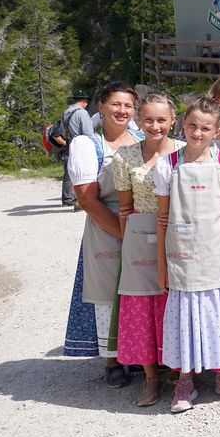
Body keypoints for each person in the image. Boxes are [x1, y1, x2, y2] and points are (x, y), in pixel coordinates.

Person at [154, 97, 220, 413]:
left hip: (216, 254)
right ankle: (184, 379)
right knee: (185, 315)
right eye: (192, 125)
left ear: (217, 129)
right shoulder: (167, 165)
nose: (197, 132)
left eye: (205, 127)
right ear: (182, 124)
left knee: (217, 313)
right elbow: (162, 218)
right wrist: (161, 264)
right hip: (180, 255)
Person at [63, 82, 141, 388]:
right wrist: (122, 231)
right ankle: (113, 360)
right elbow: (86, 199)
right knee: (109, 290)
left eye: (128, 106)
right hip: (106, 224)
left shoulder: (139, 138)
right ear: (101, 106)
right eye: (115, 105)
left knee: (140, 287)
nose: (122, 111)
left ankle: (137, 351)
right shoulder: (88, 144)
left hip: (139, 221)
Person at [114, 92, 184, 407]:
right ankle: (150, 377)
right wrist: (128, 244)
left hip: (180, 233)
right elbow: (125, 207)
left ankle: (179, 369)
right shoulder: (125, 157)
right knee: (142, 307)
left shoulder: (185, 152)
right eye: (148, 120)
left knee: (177, 301)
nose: (155, 126)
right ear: (138, 121)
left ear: (172, 121)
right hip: (140, 232)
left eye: (161, 120)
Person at [59, 91, 94, 207]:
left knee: (70, 171)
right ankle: (80, 200)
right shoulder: (82, 113)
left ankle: (67, 198)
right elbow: (88, 132)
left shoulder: (67, 111)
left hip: (69, 142)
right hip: (81, 143)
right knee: (83, 171)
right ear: (84, 101)